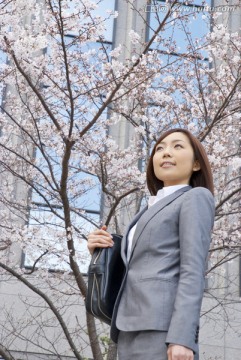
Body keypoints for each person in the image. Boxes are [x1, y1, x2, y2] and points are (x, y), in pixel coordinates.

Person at [87, 128, 215, 360]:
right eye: (160, 148)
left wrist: (182, 338)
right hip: (128, 328)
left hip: (163, 330)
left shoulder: (195, 197)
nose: (166, 152)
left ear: (196, 164)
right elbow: (135, 268)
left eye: (177, 146)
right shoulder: (147, 210)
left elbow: (193, 270)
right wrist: (101, 251)